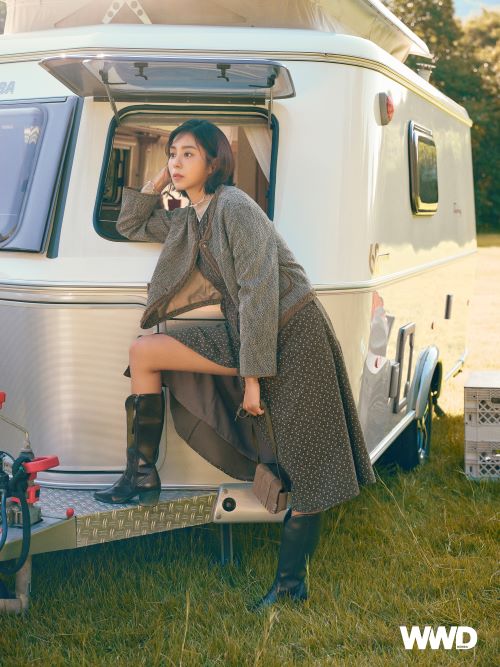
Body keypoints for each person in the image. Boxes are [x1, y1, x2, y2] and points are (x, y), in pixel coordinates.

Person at [94, 118, 377, 612]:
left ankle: (290, 586)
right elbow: (129, 224)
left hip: (293, 332)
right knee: (145, 352)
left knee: (305, 459)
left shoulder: (235, 207)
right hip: (244, 331)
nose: (176, 162)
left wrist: (252, 381)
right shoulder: (191, 218)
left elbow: (258, 293)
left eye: (188, 154)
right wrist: (158, 179)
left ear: (214, 162)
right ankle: (140, 477)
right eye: (172, 153)